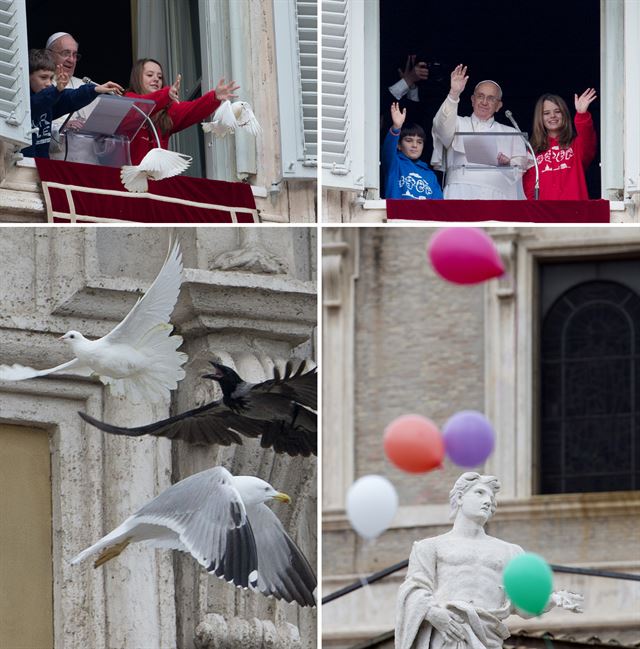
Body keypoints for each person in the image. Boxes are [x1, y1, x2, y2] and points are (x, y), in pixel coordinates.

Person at [395, 473, 583, 649]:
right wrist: (434, 614)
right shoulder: (430, 547)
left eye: (491, 499)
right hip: (447, 636)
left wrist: (553, 599)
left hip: (488, 639)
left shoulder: (510, 552)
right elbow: (413, 590)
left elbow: (523, 606)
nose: (487, 501)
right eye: (479, 493)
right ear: (460, 498)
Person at [431, 65, 529, 200]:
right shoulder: (458, 123)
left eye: (491, 98)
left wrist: (508, 164)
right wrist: (454, 93)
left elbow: (521, 168)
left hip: (497, 197)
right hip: (459, 193)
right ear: (472, 100)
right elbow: (441, 128)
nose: (484, 102)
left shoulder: (511, 133)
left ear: (498, 106)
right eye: (480, 96)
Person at [124, 58, 239, 165]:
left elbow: (193, 109)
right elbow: (142, 104)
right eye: (150, 75)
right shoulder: (128, 101)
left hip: (156, 180)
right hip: (128, 179)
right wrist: (166, 94)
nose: (156, 79)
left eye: (159, 77)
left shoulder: (166, 111)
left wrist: (214, 97)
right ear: (137, 78)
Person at [22, 49, 123, 159]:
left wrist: (95, 89)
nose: (48, 83)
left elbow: (72, 97)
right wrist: (56, 90)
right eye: (43, 77)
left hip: (42, 167)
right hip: (20, 166)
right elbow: (35, 105)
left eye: (51, 78)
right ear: (28, 76)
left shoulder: (51, 97)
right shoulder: (21, 101)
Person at [523, 89, 597, 200]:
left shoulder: (576, 146)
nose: (552, 115)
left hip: (575, 213)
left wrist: (582, 114)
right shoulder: (532, 152)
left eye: (557, 111)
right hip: (545, 214)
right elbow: (529, 190)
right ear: (540, 118)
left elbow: (588, 140)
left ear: (564, 114)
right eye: (546, 113)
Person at [45, 32, 96, 159]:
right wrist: (62, 128)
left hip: (88, 165)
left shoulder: (85, 86)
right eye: (65, 53)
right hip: (55, 166)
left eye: (74, 54)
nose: (71, 59)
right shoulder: (39, 85)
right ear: (48, 54)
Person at [382, 102, 442, 200]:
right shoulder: (394, 164)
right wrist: (396, 128)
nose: (414, 145)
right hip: (398, 215)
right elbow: (388, 150)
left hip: (423, 215)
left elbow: (439, 205)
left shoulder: (430, 175)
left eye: (419, 142)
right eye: (409, 140)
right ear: (399, 145)